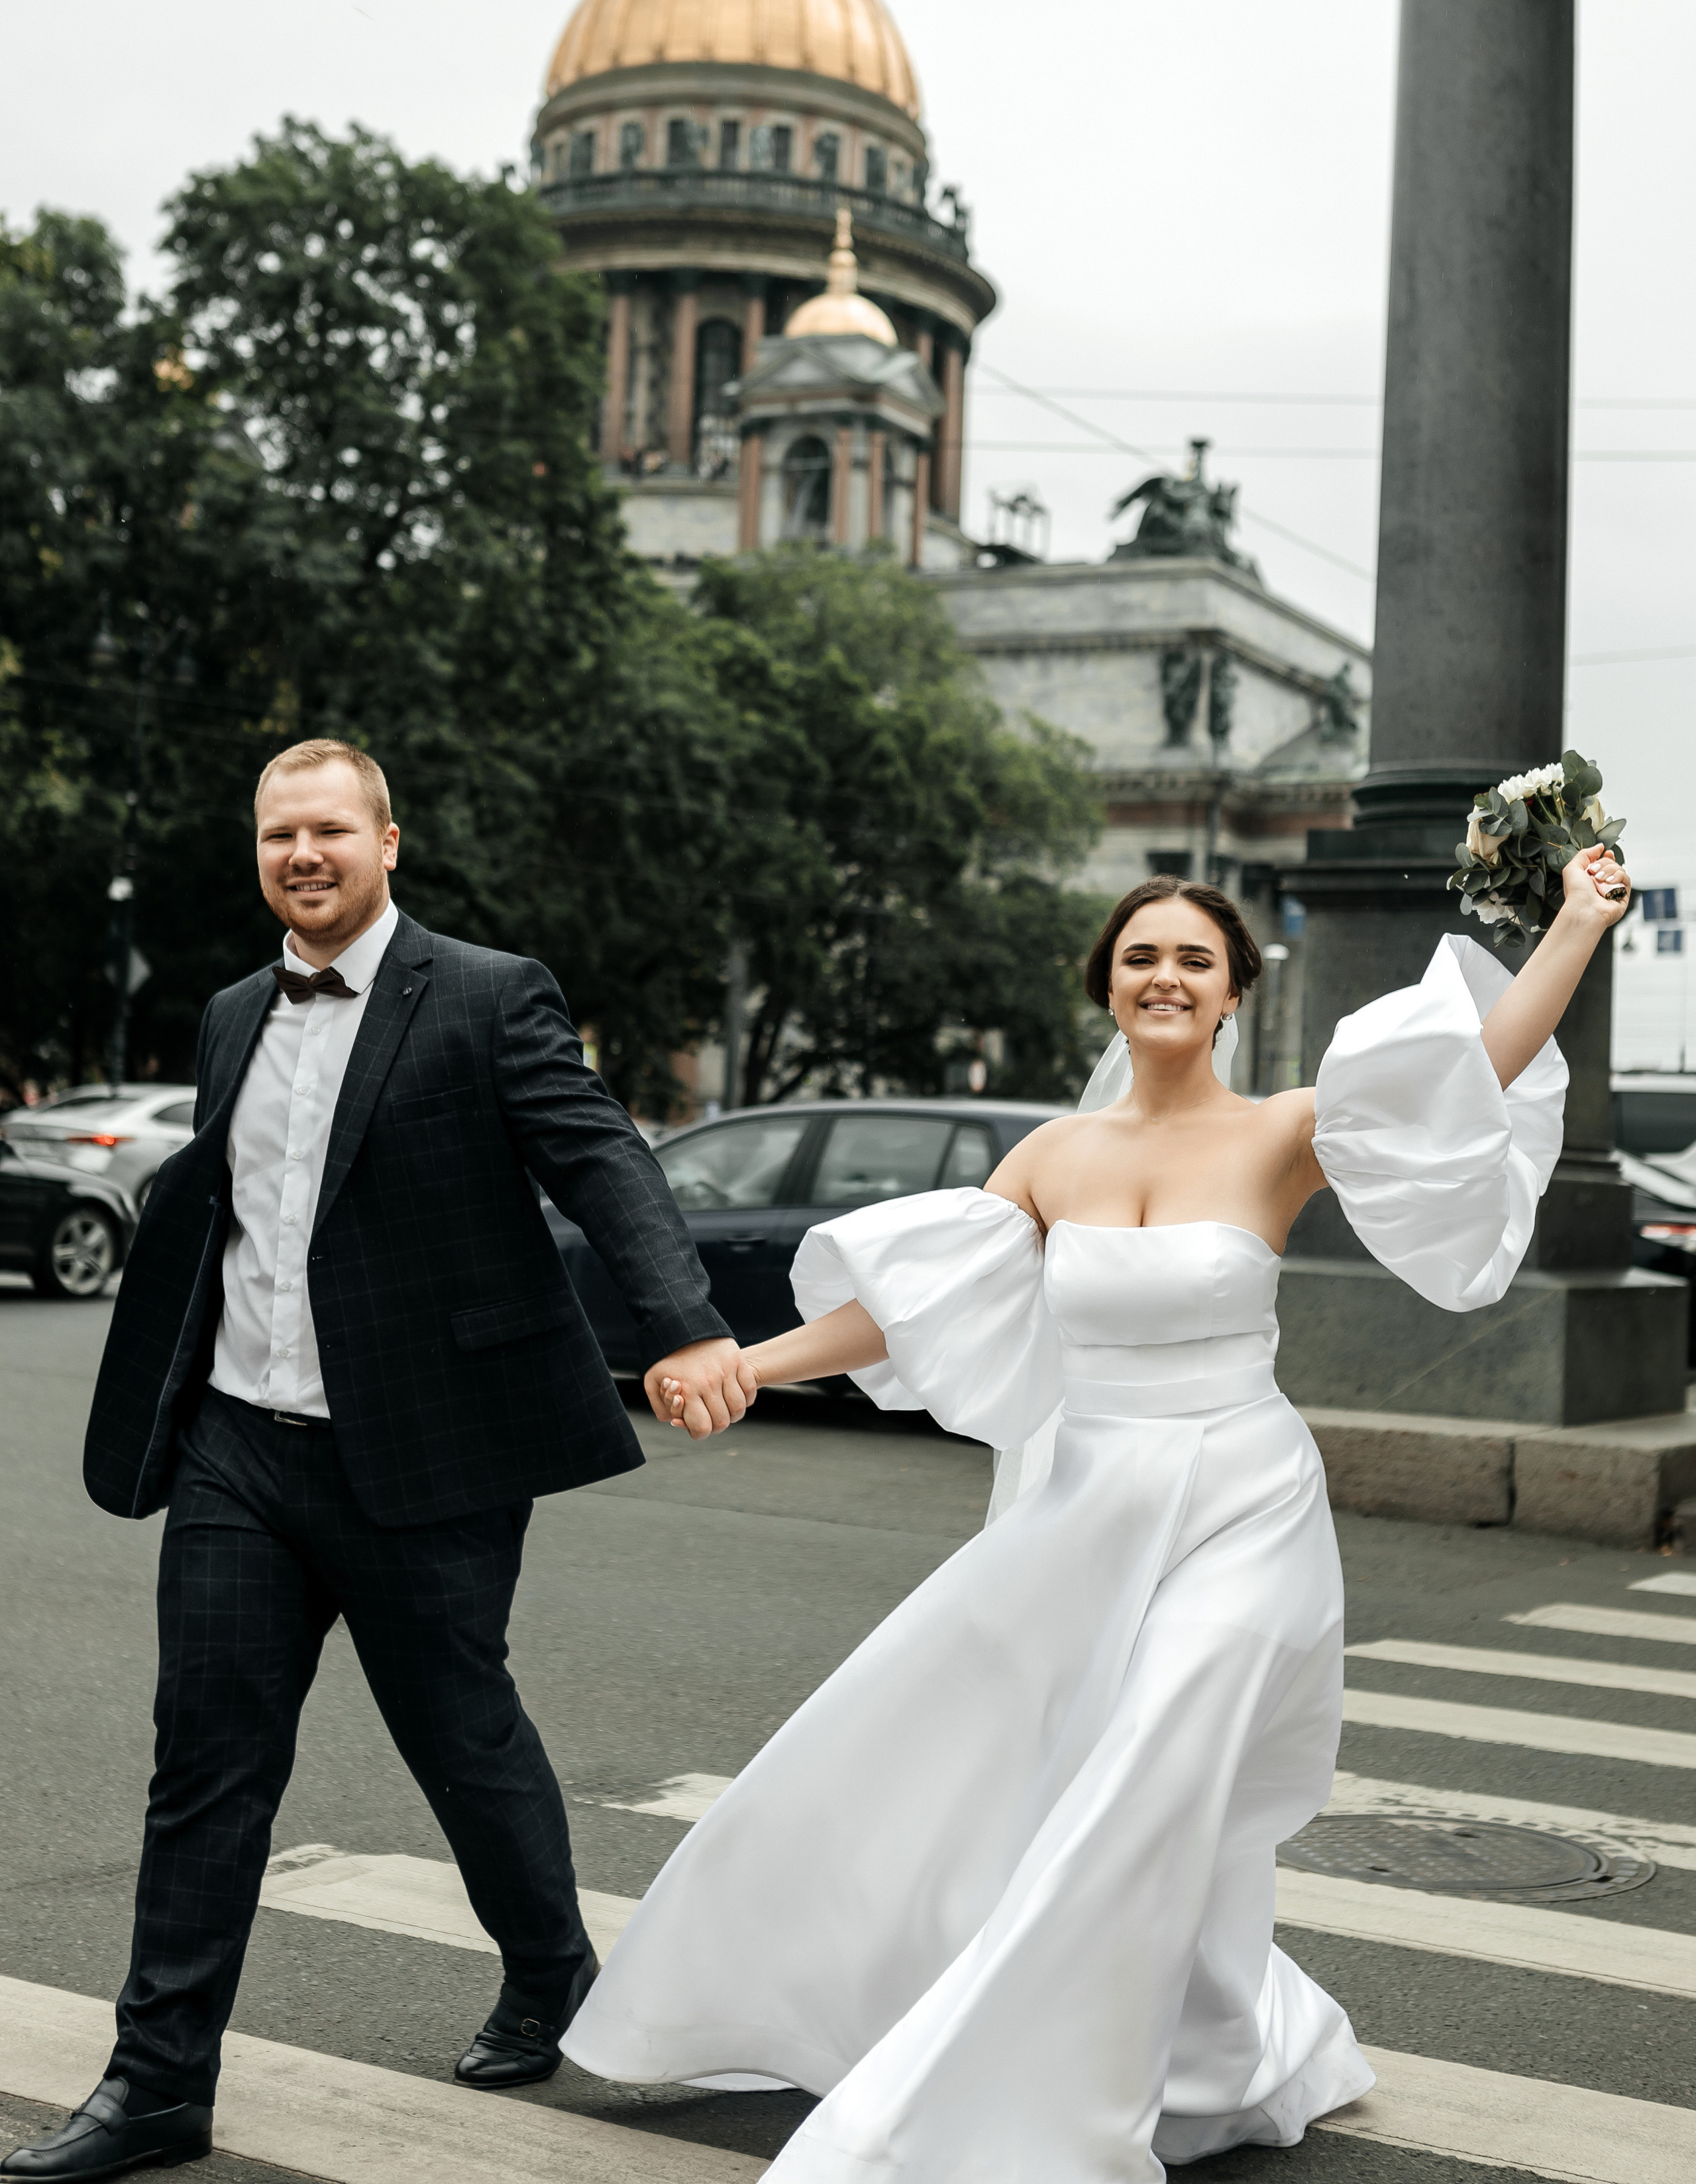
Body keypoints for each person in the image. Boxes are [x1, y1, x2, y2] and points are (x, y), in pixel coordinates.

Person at [564, 849, 1628, 2183]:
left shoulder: (1282, 1132)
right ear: (1108, 990)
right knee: (932, 1754)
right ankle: (1210, 2041)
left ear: (1233, 992)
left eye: (1193, 958)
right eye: (1140, 957)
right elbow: (908, 1308)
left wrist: (1574, 925)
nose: (1165, 976)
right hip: (1086, 1507)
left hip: (1244, 1507)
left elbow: (1469, 1070)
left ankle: (1039, 2115)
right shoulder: (1052, 1155)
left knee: (1149, 1784)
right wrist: (746, 1364)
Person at [4, 738, 750, 2183]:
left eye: (330, 831)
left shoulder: (487, 994)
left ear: (387, 842)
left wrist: (685, 1325)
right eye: (278, 834)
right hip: (238, 1446)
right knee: (204, 1763)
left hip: (425, 1454)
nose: (303, 855)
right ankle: (157, 2082)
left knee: (459, 1735)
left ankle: (550, 1967)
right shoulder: (233, 1012)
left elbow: (602, 1157)